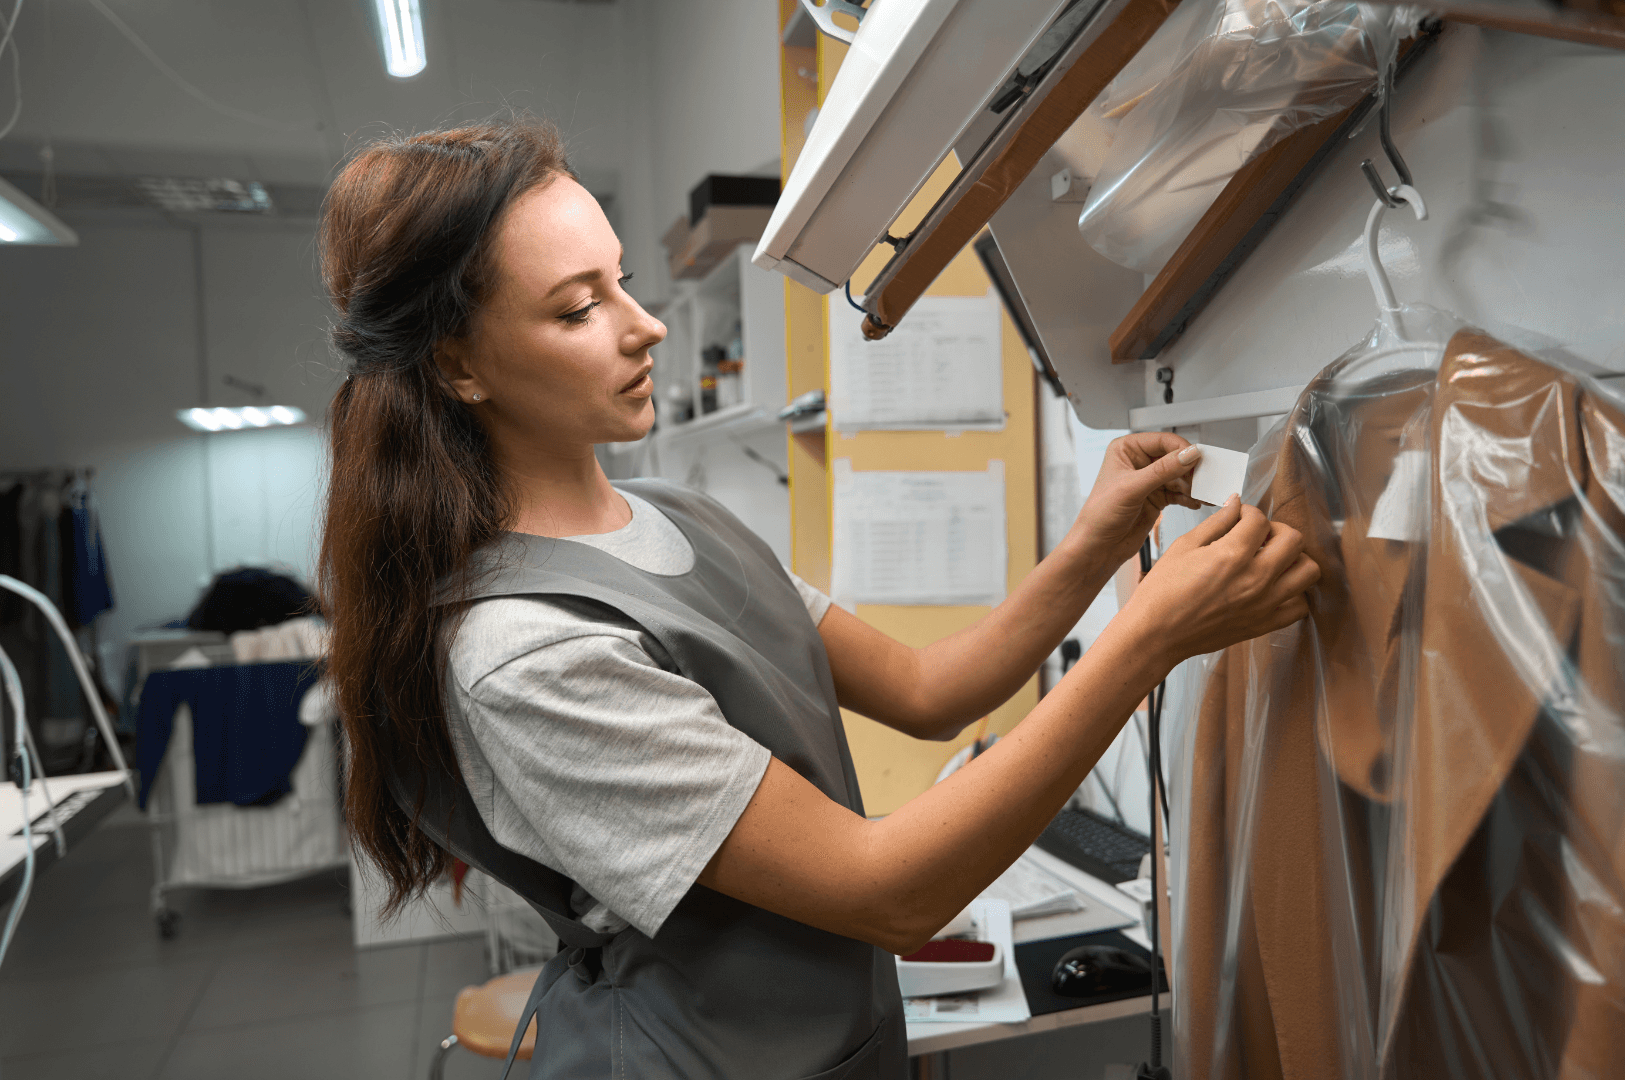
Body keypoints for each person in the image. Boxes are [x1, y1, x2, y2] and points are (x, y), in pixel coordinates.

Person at [316, 118, 1319, 1080]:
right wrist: (1147, 638)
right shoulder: (524, 649)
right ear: (456, 363)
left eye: (621, 283)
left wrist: (1098, 538)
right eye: (578, 309)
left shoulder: (680, 517)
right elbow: (887, 890)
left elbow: (929, 691)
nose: (645, 325)